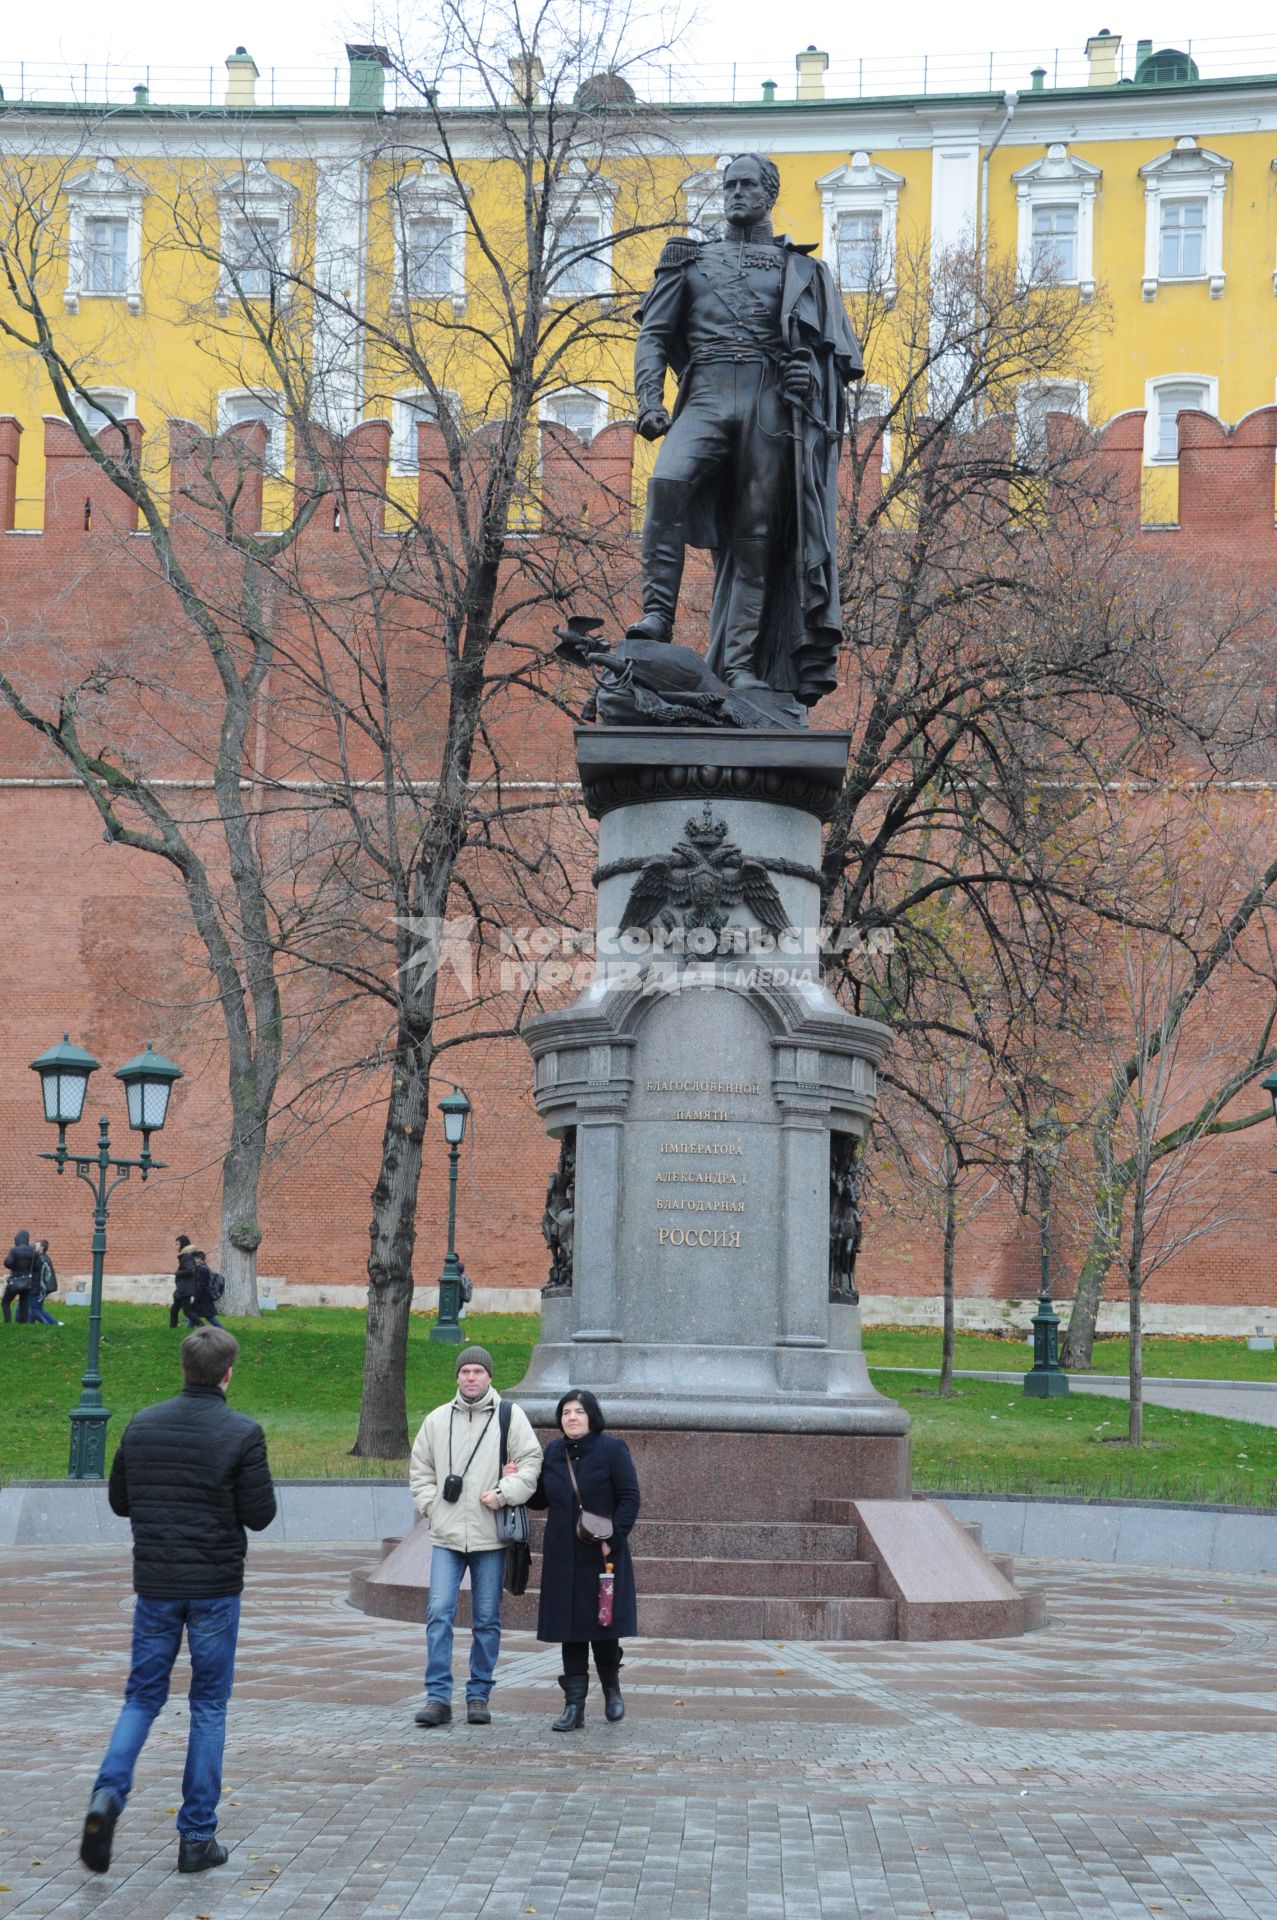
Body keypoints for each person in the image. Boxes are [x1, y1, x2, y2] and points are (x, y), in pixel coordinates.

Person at [630, 152, 862, 707]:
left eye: (747, 184)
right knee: (666, 484)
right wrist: (648, 401)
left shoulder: (802, 271)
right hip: (706, 392)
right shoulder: (688, 260)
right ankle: (657, 617)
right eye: (728, 185)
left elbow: (833, 363)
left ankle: (739, 667)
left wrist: (809, 370)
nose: (735, 193)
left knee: (756, 538)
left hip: (769, 405)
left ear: (770, 193)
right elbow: (654, 336)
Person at [79, 1324, 275, 1877]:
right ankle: (196, 1836)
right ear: (227, 1373)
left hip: (156, 1586)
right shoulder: (242, 1432)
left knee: (141, 1698)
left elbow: (120, 1501)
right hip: (214, 1589)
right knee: (208, 1705)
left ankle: (107, 1796)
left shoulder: (143, 1425)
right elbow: (260, 1515)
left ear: (184, 1369)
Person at [408, 1345, 542, 1729]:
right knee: (438, 1614)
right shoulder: (436, 1420)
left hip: (491, 1537)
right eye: (465, 1371)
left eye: (478, 1371)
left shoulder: (509, 1416)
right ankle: (437, 1697)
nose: (471, 1377)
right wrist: (433, 1507)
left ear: (489, 1376)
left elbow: (531, 1463)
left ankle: (479, 1694)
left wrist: (503, 1493)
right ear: (457, 1377)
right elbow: (420, 1470)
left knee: (486, 1619)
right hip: (447, 1538)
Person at [530, 1389, 640, 1731]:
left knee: (603, 1628)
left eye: (578, 1411)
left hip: (602, 1555)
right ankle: (573, 1706)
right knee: (570, 1630)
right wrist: (516, 1476)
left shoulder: (612, 1450)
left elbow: (630, 1497)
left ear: (592, 1416)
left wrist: (614, 1539)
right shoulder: (553, 1451)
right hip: (563, 1557)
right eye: (565, 1412)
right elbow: (539, 1500)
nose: (571, 1418)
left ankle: (612, 1690)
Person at [171, 1236, 223, 1329]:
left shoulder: (195, 1263)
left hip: (198, 1295)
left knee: (199, 1314)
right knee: (182, 1311)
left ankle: (209, 1327)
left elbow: (198, 1280)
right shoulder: (196, 1264)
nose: (175, 1246)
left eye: (177, 1244)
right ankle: (179, 1329)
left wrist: (177, 1273)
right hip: (192, 1293)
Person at [2, 1228, 41, 1324]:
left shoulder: (14, 1250)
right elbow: (38, 1267)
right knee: (24, 1304)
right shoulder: (33, 1252)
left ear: (18, 1238)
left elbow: (8, 1263)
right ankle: (23, 1324)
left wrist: (15, 1265)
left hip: (15, 1281)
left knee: (5, 1302)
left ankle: (8, 1322)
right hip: (27, 1282)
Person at [27, 1238, 63, 1325]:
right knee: (34, 1307)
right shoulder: (40, 1257)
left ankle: (53, 1323)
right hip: (40, 1287)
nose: (34, 1246)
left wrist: (42, 1288)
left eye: (36, 1245)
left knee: (35, 1309)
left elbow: (45, 1276)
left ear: (42, 1248)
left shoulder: (42, 1259)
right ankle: (29, 1325)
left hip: (41, 1288)